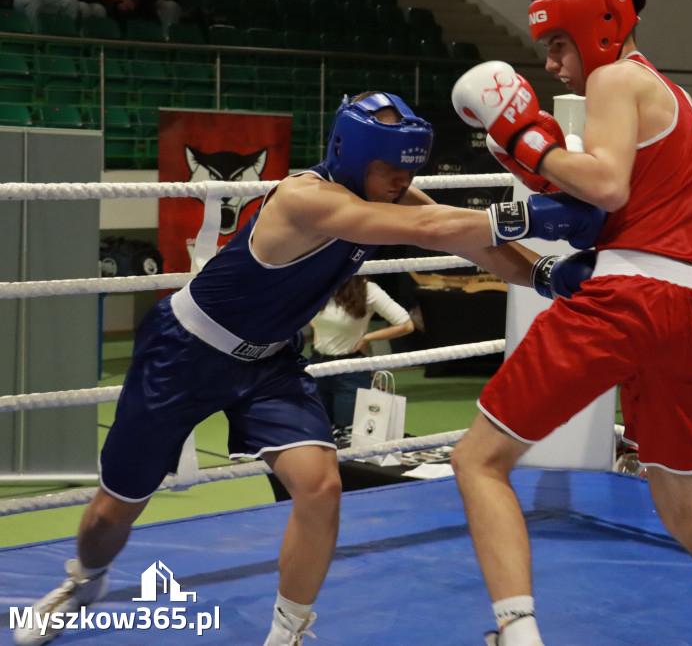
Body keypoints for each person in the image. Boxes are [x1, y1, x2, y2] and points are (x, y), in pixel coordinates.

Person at [12, 91, 606, 646]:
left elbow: (467, 241)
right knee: (115, 508)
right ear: (350, 157)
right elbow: (430, 228)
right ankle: (86, 579)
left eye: (409, 172)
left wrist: (545, 275)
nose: (403, 184)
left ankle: (288, 631)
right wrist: (538, 217)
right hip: (185, 353)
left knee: (320, 486)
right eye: (391, 171)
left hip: (269, 362)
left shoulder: (391, 195)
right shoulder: (307, 198)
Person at [449, 0, 692, 645]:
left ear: (596, 31)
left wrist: (528, 142)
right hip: (689, 309)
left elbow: (604, 186)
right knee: (685, 509)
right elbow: (619, 201)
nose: (552, 65)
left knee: (477, 460)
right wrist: (534, 159)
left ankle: (516, 635)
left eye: (559, 47)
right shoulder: (673, 98)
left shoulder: (612, 80)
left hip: (630, 298)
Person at [309, 275, 414, 443]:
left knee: (348, 436)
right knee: (315, 432)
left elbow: (406, 324)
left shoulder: (367, 289)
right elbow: (304, 314)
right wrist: (319, 333)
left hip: (350, 370)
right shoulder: (319, 282)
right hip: (317, 366)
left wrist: (367, 338)